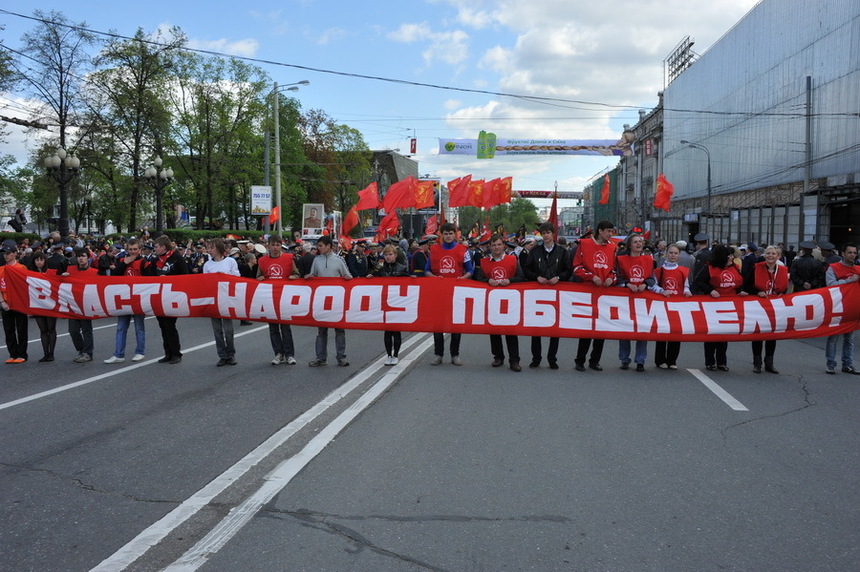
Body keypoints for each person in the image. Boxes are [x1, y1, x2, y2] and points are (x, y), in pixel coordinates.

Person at [693, 243, 748, 371]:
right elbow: (698, 282)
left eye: (731, 255)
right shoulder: (709, 268)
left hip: (729, 305)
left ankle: (722, 362)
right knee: (712, 334)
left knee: (724, 334)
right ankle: (710, 361)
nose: (730, 258)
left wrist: (740, 291)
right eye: (728, 256)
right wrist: (710, 290)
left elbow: (738, 283)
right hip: (712, 305)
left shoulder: (735, 267)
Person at [571, 220, 618, 371]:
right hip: (587, 292)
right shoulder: (584, 244)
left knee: (601, 329)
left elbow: (614, 270)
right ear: (600, 231)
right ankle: (579, 360)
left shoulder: (612, 247)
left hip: (604, 293)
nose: (610, 234)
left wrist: (612, 278)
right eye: (608, 231)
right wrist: (592, 277)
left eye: (612, 232)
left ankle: (595, 360)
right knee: (586, 328)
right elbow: (577, 268)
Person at [425, 222, 473, 365]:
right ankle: (438, 354)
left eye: (451, 233)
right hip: (438, 294)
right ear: (441, 235)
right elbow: (426, 270)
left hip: (456, 293)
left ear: (455, 234)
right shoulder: (434, 250)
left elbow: (470, 270)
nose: (448, 236)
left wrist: (462, 279)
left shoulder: (463, 250)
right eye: (445, 234)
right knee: (438, 324)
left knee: (456, 324)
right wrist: (434, 278)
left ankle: (455, 354)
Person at [523, 223, 570, 369]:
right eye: (543, 233)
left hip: (555, 292)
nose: (546, 235)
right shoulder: (535, 251)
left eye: (548, 232)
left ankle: (552, 358)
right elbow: (526, 270)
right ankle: (536, 358)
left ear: (553, 234)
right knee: (536, 327)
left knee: (554, 327)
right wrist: (536, 277)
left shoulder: (562, 252)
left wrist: (559, 278)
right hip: (538, 292)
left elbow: (569, 270)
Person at [477, 234, 524, 371]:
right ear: (489, 247)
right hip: (492, 301)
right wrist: (487, 281)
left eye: (498, 244)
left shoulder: (513, 260)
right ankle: (498, 357)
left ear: (503, 245)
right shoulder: (484, 262)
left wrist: (510, 280)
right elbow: (478, 279)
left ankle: (514, 360)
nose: (496, 247)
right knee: (494, 330)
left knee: (511, 331)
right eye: (493, 245)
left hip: (510, 301)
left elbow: (522, 277)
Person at [305, 235, 352, 367]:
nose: (318, 248)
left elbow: (347, 275)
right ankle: (321, 358)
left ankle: (341, 357)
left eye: (320, 246)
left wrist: (347, 277)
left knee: (339, 330)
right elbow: (313, 274)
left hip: (337, 300)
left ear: (329, 246)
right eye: (318, 246)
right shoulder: (316, 260)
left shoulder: (339, 260)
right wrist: (310, 277)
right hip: (322, 301)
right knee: (321, 331)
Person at [143, 234, 189, 364]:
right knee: (162, 325)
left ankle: (176, 353)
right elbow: (150, 276)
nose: (154, 249)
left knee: (170, 325)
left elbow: (185, 276)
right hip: (159, 296)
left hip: (172, 296)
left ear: (163, 247)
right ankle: (167, 353)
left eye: (156, 247)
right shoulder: (155, 260)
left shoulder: (176, 258)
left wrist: (168, 279)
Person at [615, 233, 657, 371]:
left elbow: (651, 278)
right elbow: (618, 277)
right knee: (625, 328)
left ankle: (640, 360)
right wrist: (627, 284)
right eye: (635, 242)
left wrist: (645, 284)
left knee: (642, 329)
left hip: (642, 298)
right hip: (625, 298)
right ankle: (624, 359)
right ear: (630, 245)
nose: (639, 244)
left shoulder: (649, 260)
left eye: (640, 241)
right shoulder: (621, 259)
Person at [257, 235, 300, 365]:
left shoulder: (288, 258)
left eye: (277, 245)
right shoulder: (262, 261)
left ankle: (290, 354)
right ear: (268, 246)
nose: (275, 248)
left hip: (284, 298)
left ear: (281, 246)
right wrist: (259, 278)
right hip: (270, 299)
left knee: (285, 328)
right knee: (273, 328)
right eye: (273, 245)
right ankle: (278, 353)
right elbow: (258, 276)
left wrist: (293, 276)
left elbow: (297, 274)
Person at [103, 238, 147, 364]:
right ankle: (118, 354)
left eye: (135, 249)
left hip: (138, 298)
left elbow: (149, 280)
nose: (133, 252)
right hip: (124, 299)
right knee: (121, 327)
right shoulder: (121, 260)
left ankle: (140, 352)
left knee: (139, 327)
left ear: (139, 250)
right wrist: (125, 263)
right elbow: (114, 275)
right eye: (130, 249)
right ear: (127, 250)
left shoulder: (144, 262)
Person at [749, 245, 789, 374]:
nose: (770, 255)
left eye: (773, 253)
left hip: (774, 306)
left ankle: (769, 362)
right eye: (768, 253)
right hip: (759, 305)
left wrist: (783, 293)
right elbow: (747, 285)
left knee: (772, 335)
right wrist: (758, 291)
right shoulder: (756, 268)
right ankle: (757, 362)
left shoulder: (782, 270)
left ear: (778, 257)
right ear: (764, 255)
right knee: (758, 334)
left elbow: (784, 287)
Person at [368, 244, 409, 365]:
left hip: (397, 303)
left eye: (390, 254)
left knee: (396, 331)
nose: (388, 257)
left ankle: (396, 355)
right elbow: (374, 280)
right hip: (385, 303)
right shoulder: (381, 269)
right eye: (386, 255)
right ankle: (388, 355)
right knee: (387, 331)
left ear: (395, 255)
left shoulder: (402, 268)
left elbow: (408, 286)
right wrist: (370, 277)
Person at [652, 244, 692, 369]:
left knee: (676, 331)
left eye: (675, 253)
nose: (673, 255)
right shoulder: (658, 271)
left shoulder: (683, 271)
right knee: (663, 332)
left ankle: (672, 360)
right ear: (666, 254)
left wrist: (687, 292)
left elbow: (685, 286)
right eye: (671, 253)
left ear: (679, 255)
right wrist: (661, 291)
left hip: (677, 306)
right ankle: (660, 360)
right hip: (662, 304)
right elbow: (653, 286)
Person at [824, 242, 860, 375]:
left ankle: (847, 364)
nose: (852, 255)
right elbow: (831, 286)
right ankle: (831, 364)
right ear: (843, 254)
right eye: (850, 252)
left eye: (854, 253)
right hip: (837, 308)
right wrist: (849, 281)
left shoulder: (858, 269)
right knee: (833, 337)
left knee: (849, 339)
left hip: (852, 309)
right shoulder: (833, 268)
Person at [203, 238, 240, 366]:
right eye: (208, 248)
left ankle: (231, 354)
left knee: (228, 330)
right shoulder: (207, 265)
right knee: (217, 330)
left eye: (211, 248)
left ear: (218, 248)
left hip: (227, 299)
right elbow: (204, 282)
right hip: (214, 300)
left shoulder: (230, 262)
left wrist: (224, 277)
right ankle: (222, 355)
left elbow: (237, 278)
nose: (209, 250)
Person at [62, 248, 99, 363]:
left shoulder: (94, 272)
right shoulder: (70, 270)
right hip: (73, 305)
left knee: (86, 330)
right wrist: (62, 277)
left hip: (86, 305)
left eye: (83, 256)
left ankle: (88, 353)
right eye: (78, 256)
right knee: (73, 330)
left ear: (88, 257)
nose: (81, 258)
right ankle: (81, 350)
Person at [26, 252, 58, 362]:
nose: (39, 262)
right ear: (34, 262)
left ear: (45, 261)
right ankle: (45, 353)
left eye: (41, 260)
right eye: (37, 260)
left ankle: (51, 353)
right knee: (43, 330)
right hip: (37, 304)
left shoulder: (51, 272)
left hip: (50, 304)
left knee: (51, 328)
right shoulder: (30, 273)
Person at [0, 239, 28, 363]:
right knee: (9, 330)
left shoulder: (21, 267)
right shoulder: (1, 269)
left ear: (14, 254)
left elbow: (26, 286)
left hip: (19, 303)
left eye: (8, 253)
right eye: (4, 253)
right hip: (6, 303)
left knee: (21, 329)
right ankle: (13, 353)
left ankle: (22, 354)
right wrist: (2, 302)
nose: (6, 256)